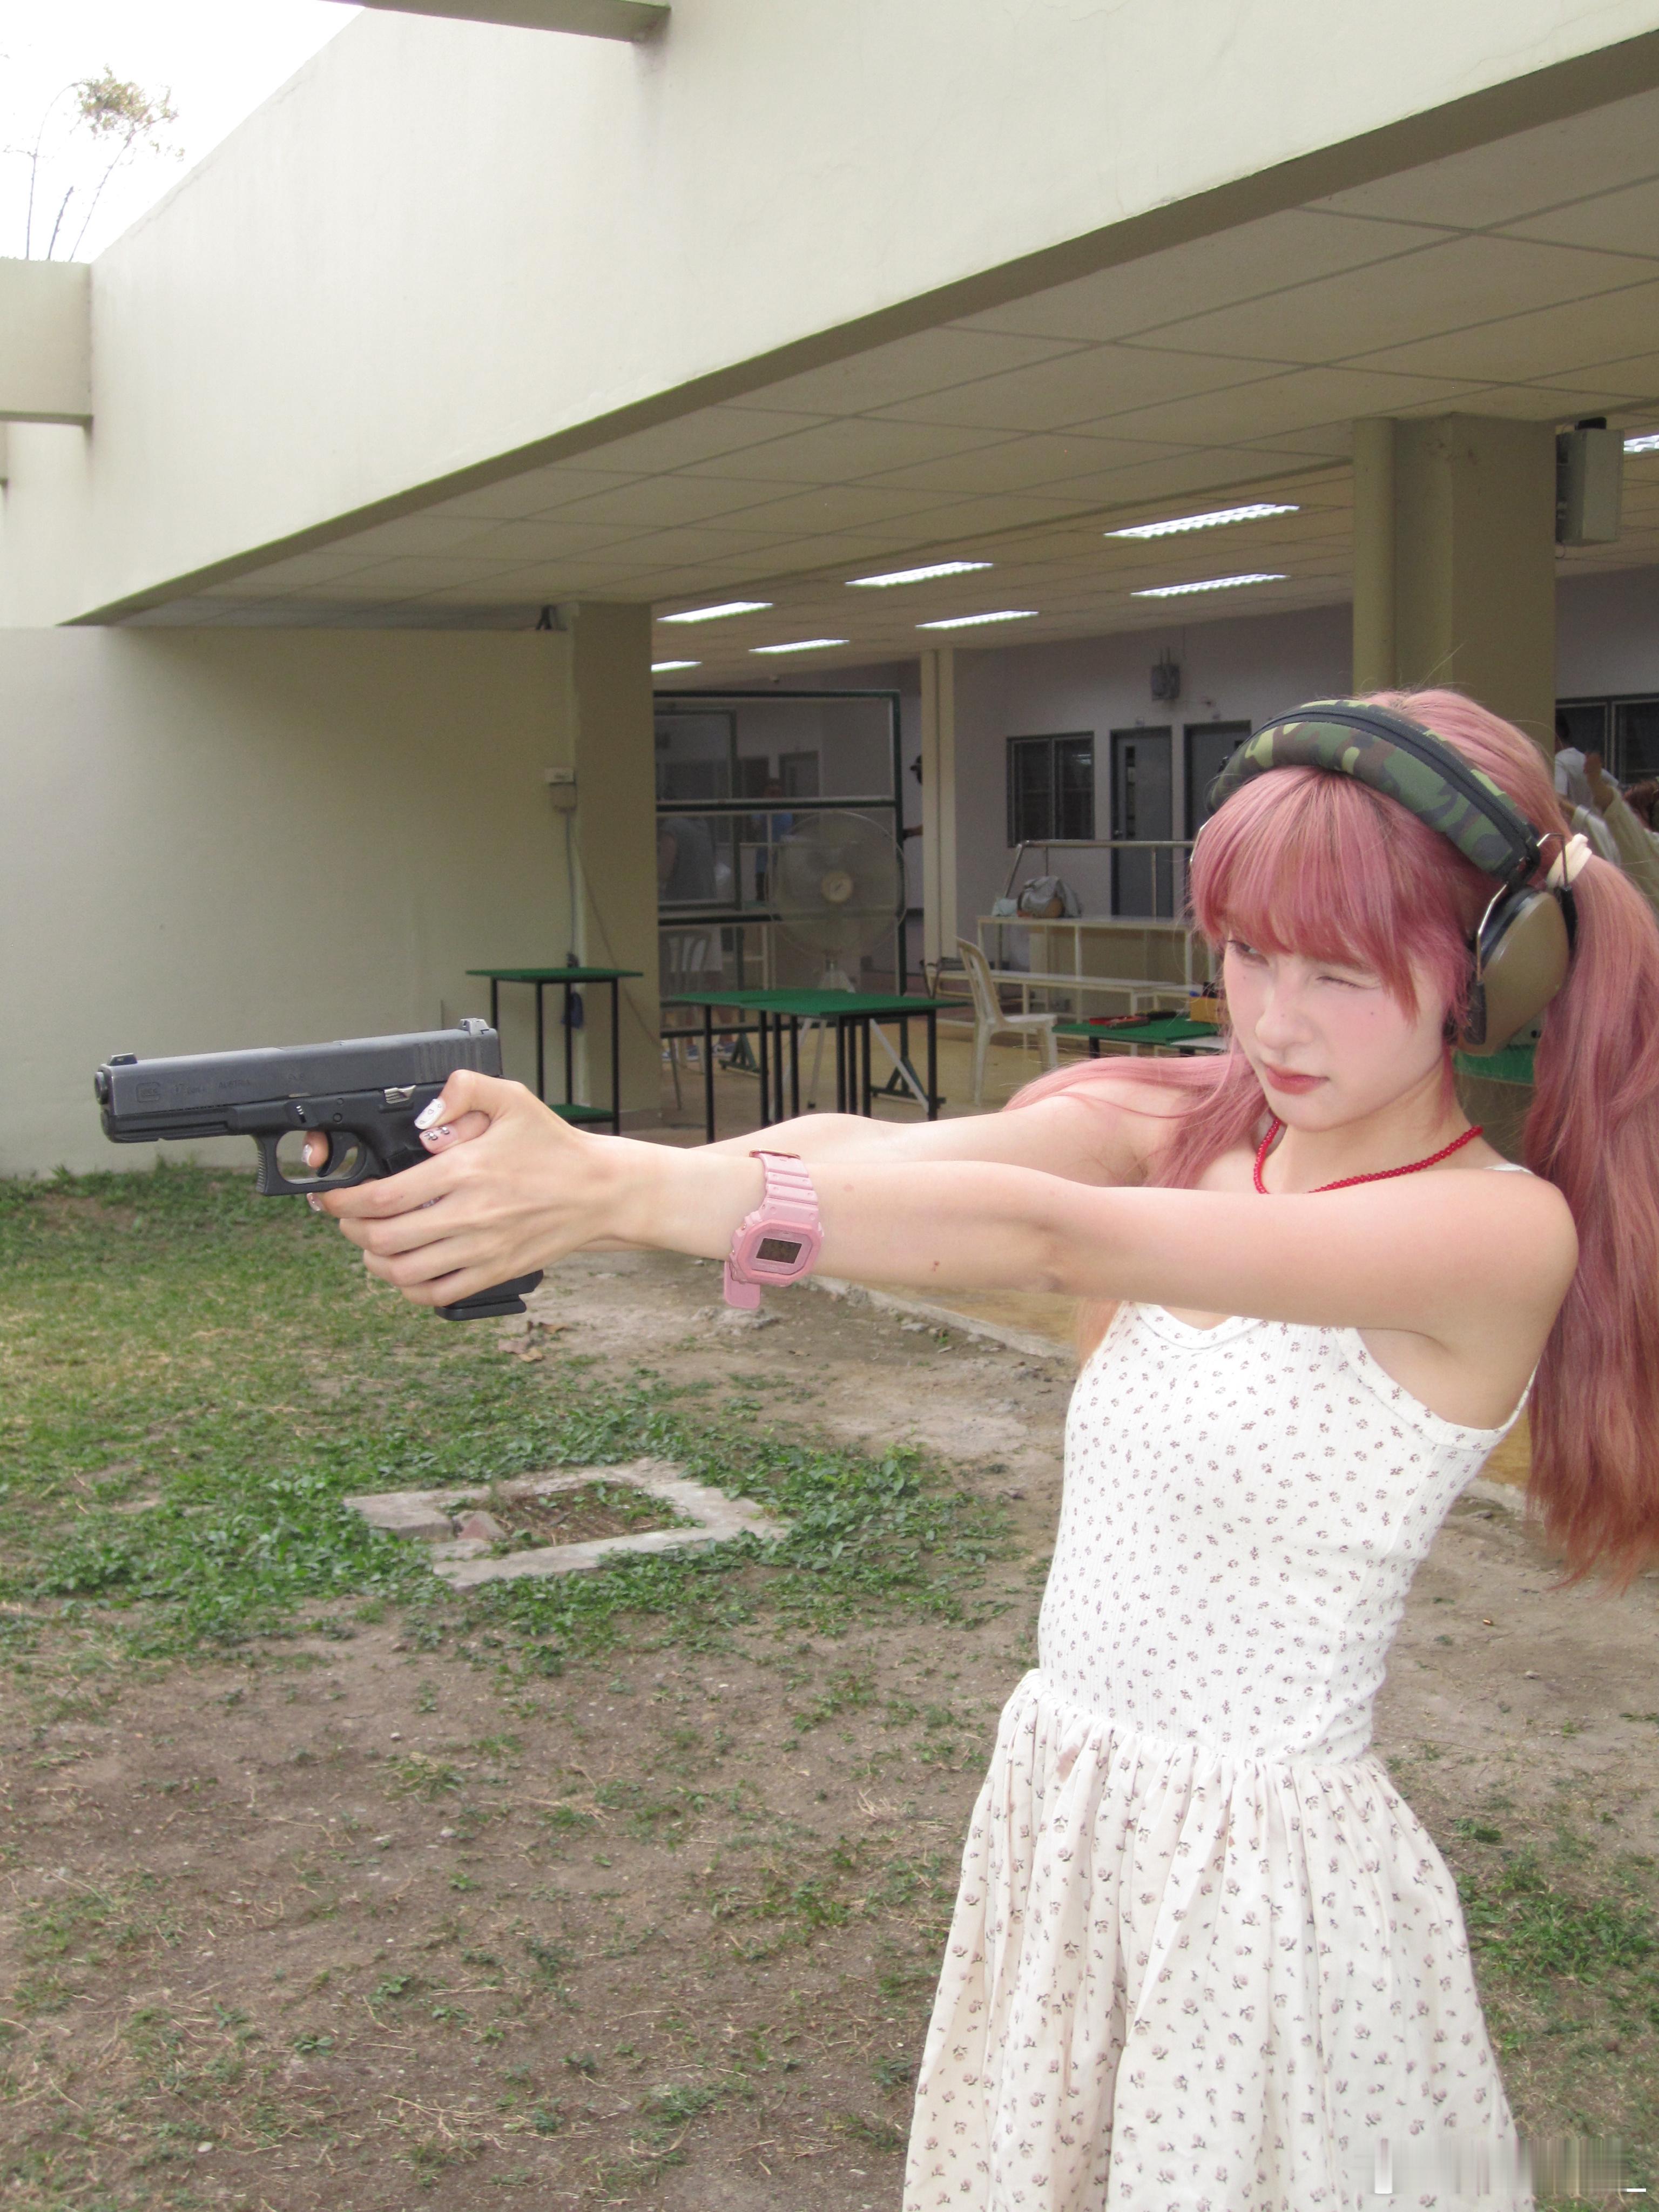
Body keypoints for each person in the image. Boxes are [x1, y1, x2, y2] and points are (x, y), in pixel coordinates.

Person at [308, 690, 1659, 2210]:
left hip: (1258, 1884)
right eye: (1247, 952)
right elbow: (864, 1153)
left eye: (1341, 973)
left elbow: (1045, 1234)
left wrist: (617, 1193)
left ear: (1491, 971)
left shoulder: (1491, 1233)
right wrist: (557, 1182)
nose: (1273, 1018)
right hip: (1072, 1807)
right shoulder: (1187, 1124)